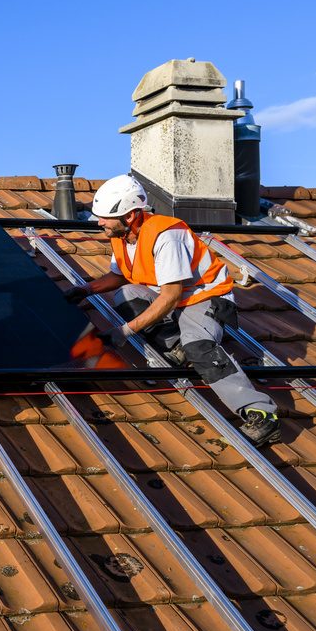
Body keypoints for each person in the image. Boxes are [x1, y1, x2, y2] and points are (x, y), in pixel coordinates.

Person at [62, 174, 281, 446]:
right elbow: (121, 276)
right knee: (126, 294)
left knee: (199, 346)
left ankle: (260, 412)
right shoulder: (122, 235)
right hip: (171, 297)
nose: (99, 222)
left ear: (129, 215)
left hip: (205, 297)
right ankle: (178, 346)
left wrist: (124, 331)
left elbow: (170, 296)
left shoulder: (167, 236)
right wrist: (85, 289)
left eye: (105, 217)